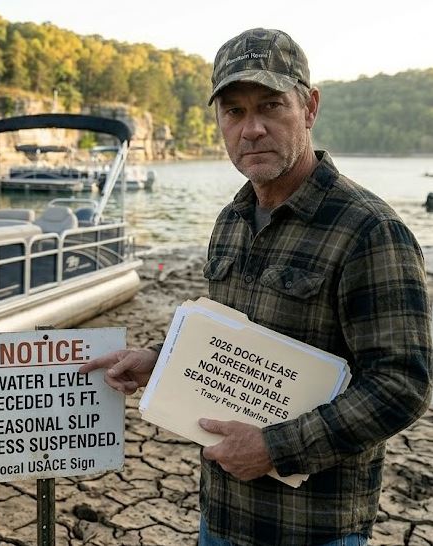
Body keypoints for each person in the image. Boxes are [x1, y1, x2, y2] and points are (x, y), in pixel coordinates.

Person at [81, 28, 432, 545]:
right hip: (221, 515)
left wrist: (276, 448)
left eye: (271, 105)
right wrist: (163, 357)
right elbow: (231, 339)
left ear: (309, 107)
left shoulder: (369, 230)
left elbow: (401, 385)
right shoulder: (231, 220)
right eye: (235, 112)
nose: (252, 129)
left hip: (313, 529)